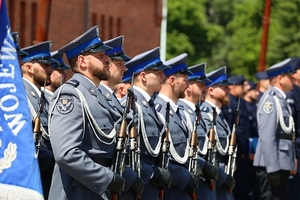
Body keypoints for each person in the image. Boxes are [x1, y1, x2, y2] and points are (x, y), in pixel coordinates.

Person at [48, 26, 126, 200]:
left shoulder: (96, 95)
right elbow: (66, 154)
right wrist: (107, 178)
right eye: (100, 56)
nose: (108, 59)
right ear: (82, 62)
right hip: (78, 192)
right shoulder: (71, 95)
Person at [120, 47, 172, 200]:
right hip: (137, 185)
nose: (163, 76)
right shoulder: (131, 104)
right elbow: (125, 154)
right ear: (143, 76)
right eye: (158, 73)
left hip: (151, 186)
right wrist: (152, 173)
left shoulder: (149, 105)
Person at [99, 35, 145, 200]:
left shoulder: (112, 100)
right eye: (119, 64)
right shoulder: (98, 99)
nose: (125, 69)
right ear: (107, 65)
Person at [154, 53, 204, 200]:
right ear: (172, 80)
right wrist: (182, 176)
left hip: (183, 190)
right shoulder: (158, 110)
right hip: (169, 189)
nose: (188, 85)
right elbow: (156, 156)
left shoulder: (180, 113)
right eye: (185, 80)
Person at [253, 58, 297, 200]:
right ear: (280, 79)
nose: (293, 79)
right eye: (290, 76)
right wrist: (272, 168)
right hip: (272, 164)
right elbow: (267, 136)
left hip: (281, 161)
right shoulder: (271, 100)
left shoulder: (280, 99)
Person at [20, 41, 57, 199]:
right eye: (45, 65)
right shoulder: (21, 95)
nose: (50, 69)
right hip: (34, 175)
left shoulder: (43, 98)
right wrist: (52, 162)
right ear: (29, 68)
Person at [177, 62, 219, 200]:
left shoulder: (196, 113)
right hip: (191, 180)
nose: (205, 88)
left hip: (203, 181)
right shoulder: (183, 112)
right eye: (201, 85)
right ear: (188, 87)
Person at [200, 66, 235, 200]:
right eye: (224, 87)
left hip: (222, 175)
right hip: (214, 176)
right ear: (211, 90)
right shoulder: (205, 114)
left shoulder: (218, 115)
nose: (228, 90)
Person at [221, 75, 253, 200]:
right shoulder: (229, 103)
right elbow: (235, 129)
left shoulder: (240, 102)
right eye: (243, 85)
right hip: (236, 151)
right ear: (233, 87)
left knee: (243, 186)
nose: (247, 87)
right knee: (236, 186)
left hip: (242, 150)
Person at [284, 58, 300, 200]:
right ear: (294, 73)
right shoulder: (291, 94)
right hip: (296, 150)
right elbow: (289, 129)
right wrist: (292, 155)